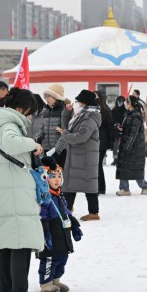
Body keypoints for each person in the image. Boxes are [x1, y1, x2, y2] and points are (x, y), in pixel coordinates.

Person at [0, 87, 44, 292]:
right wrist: (34, 144)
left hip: (5, 188)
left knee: (8, 244)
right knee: (21, 242)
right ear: (22, 108)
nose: (30, 117)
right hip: (14, 189)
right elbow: (11, 143)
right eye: (30, 112)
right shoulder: (9, 125)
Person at [37, 156, 82, 292]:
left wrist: (74, 226)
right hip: (51, 234)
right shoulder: (45, 197)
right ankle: (46, 284)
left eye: (58, 176)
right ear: (45, 178)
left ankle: (55, 280)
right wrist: (45, 234)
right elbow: (42, 216)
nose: (56, 180)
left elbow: (66, 211)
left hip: (62, 235)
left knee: (62, 258)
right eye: (52, 176)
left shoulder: (59, 195)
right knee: (49, 260)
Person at [53, 90, 101, 221]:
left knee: (88, 184)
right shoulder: (81, 115)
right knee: (70, 183)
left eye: (79, 101)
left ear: (84, 103)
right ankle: (67, 209)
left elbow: (81, 136)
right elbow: (68, 127)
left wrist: (66, 135)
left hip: (85, 156)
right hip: (78, 154)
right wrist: (67, 112)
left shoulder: (90, 117)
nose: (77, 103)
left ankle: (93, 212)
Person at [116, 96, 147, 195]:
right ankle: (125, 188)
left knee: (135, 169)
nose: (126, 104)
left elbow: (134, 133)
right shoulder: (129, 114)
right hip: (127, 145)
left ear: (131, 104)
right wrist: (120, 128)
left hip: (134, 148)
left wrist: (127, 146)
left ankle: (145, 186)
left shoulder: (136, 116)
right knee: (124, 168)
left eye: (127, 102)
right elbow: (128, 129)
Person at [36, 84, 72, 167]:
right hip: (47, 150)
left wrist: (57, 150)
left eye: (50, 96)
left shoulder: (64, 111)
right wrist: (38, 138)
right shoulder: (46, 110)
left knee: (58, 176)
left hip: (60, 151)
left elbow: (65, 132)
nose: (47, 99)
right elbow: (42, 127)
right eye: (46, 96)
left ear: (57, 97)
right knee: (49, 176)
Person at [93, 91, 114, 195]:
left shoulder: (105, 110)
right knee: (97, 165)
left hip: (102, 141)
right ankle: (101, 187)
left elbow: (110, 126)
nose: (94, 98)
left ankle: (98, 188)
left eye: (95, 96)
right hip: (94, 141)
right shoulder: (91, 109)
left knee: (97, 164)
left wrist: (111, 142)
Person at [111, 96, 126, 165]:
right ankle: (115, 158)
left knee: (124, 145)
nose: (120, 103)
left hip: (125, 130)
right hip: (116, 130)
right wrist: (116, 126)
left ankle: (123, 159)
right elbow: (112, 120)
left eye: (121, 101)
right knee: (115, 145)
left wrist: (123, 126)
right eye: (118, 101)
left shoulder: (126, 110)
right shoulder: (114, 110)